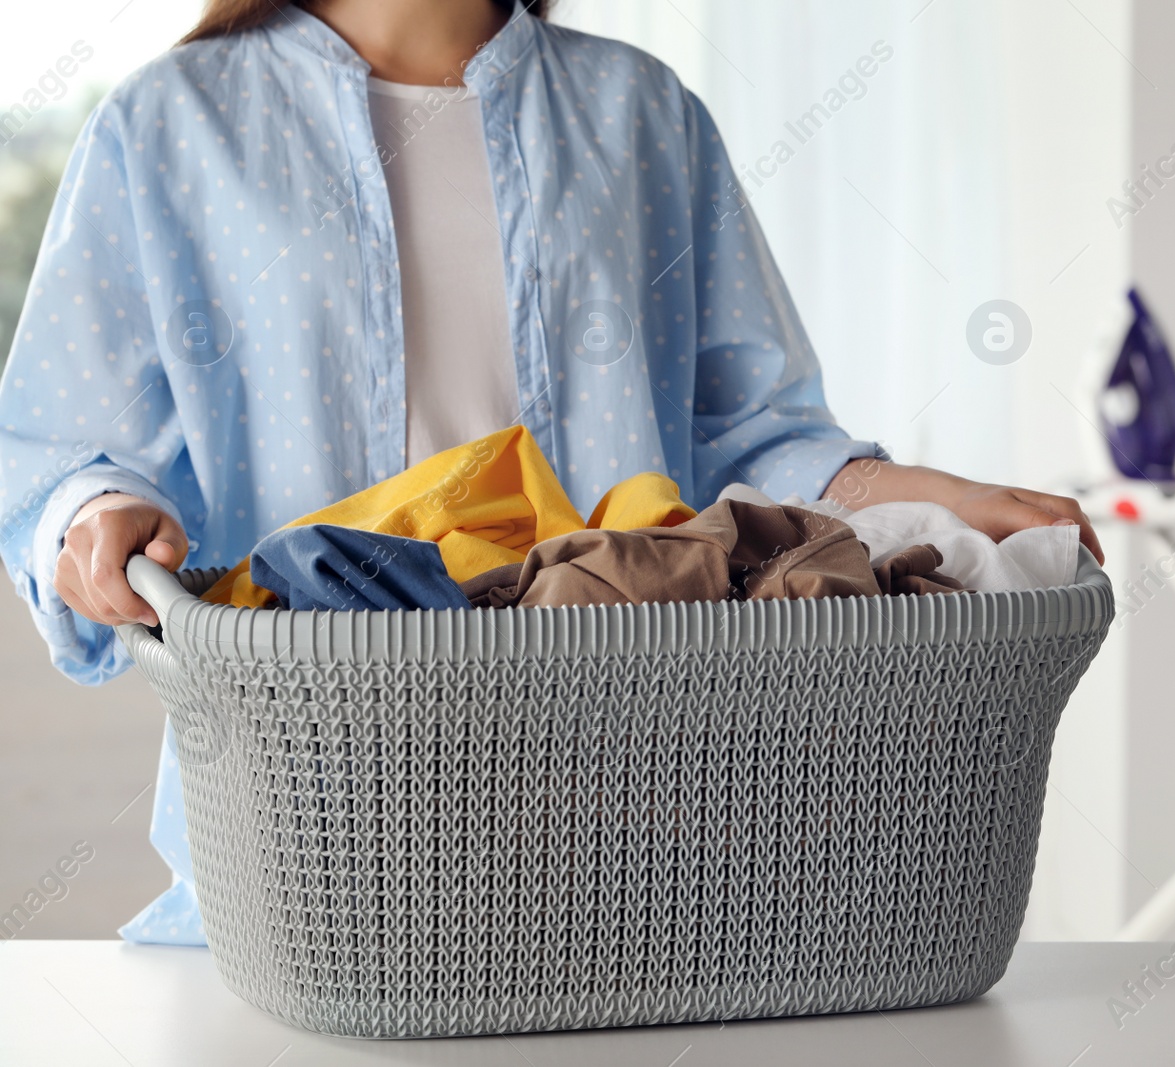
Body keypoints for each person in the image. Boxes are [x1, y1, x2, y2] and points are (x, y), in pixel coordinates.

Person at [0, 0, 1103, 943]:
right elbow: (54, 450)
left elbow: (743, 434)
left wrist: (901, 488)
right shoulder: (166, 127)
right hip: (307, 826)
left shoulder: (640, 114)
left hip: (634, 811)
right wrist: (94, 513)